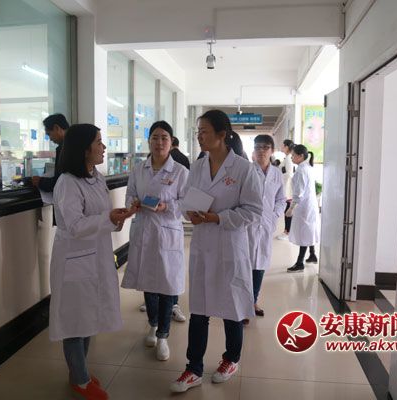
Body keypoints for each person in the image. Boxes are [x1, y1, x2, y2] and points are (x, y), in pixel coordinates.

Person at [170, 110, 263, 393]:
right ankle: (193, 368)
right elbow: (186, 200)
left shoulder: (243, 169)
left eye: (204, 131)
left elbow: (253, 211)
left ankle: (231, 359)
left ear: (222, 135)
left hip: (230, 245)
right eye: (198, 132)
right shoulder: (198, 166)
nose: (199, 136)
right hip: (203, 245)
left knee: (232, 306)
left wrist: (218, 218)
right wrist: (190, 213)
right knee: (199, 308)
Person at [49, 123, 136, 400]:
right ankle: (80, 380)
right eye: (99, 142)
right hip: (74, 259)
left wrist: (115, 218)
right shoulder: (67, 183)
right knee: (74, 321)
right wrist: (107, 218)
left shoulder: (96, 177)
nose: (104, 147)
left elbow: (99, 216)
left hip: (95, 255)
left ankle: (79, 371)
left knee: (87, 317)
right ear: (84, 149)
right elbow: (75, 225)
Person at [122, 121, 189, 361]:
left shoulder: (180, 171)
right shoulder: (138, 169)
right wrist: (133, 204)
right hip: (144, 231)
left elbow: (186, 204)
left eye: (164, 138)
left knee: (167, 285)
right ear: (149, 141)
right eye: (155, 138)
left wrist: (166, 207)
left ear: (171, 142)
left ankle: (163, 336)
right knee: (149, 284)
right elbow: (130, 194)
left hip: (167, 233)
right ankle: (152, 325)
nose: (159, 142)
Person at [246, 135, 285, 322]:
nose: (261, 150)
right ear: (254, 150)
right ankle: (243, 304)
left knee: (260, 264)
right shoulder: (247, 171)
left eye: (265, 147)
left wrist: (275, 214)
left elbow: (281, 199)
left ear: (272, 150)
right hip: (247, 224)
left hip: (266, 224)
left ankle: (253, 301)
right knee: (245, 264)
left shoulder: (277, 174)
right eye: (258, 147)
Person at [286, 144, 320, 272]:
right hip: (309, 204)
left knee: (305, 233)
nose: (292, 158)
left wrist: (291, 208)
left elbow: (298, 192)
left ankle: (300, 263)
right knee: (309, 230)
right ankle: (312, 255)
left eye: (293, 155)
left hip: (304, 206)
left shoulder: (301, 170)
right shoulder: (308, 167)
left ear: (300, 156)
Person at [32, 113, 69, 191]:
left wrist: (40, 181)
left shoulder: (65, 148)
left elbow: (60, 182)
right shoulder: (77, 144)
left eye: (49, 134)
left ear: (56, 128)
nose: (50, 139)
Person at [276, 139, 295, 240]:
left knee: (288, 211)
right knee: (287, 210)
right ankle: (286, 231)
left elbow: (289, 174)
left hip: (287, 188)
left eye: (283, 145)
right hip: (286, 187)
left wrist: (279, 176)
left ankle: (287, 232)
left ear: (287, 147)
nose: (281, 147)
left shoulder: (288, 159)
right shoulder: (287, 158)